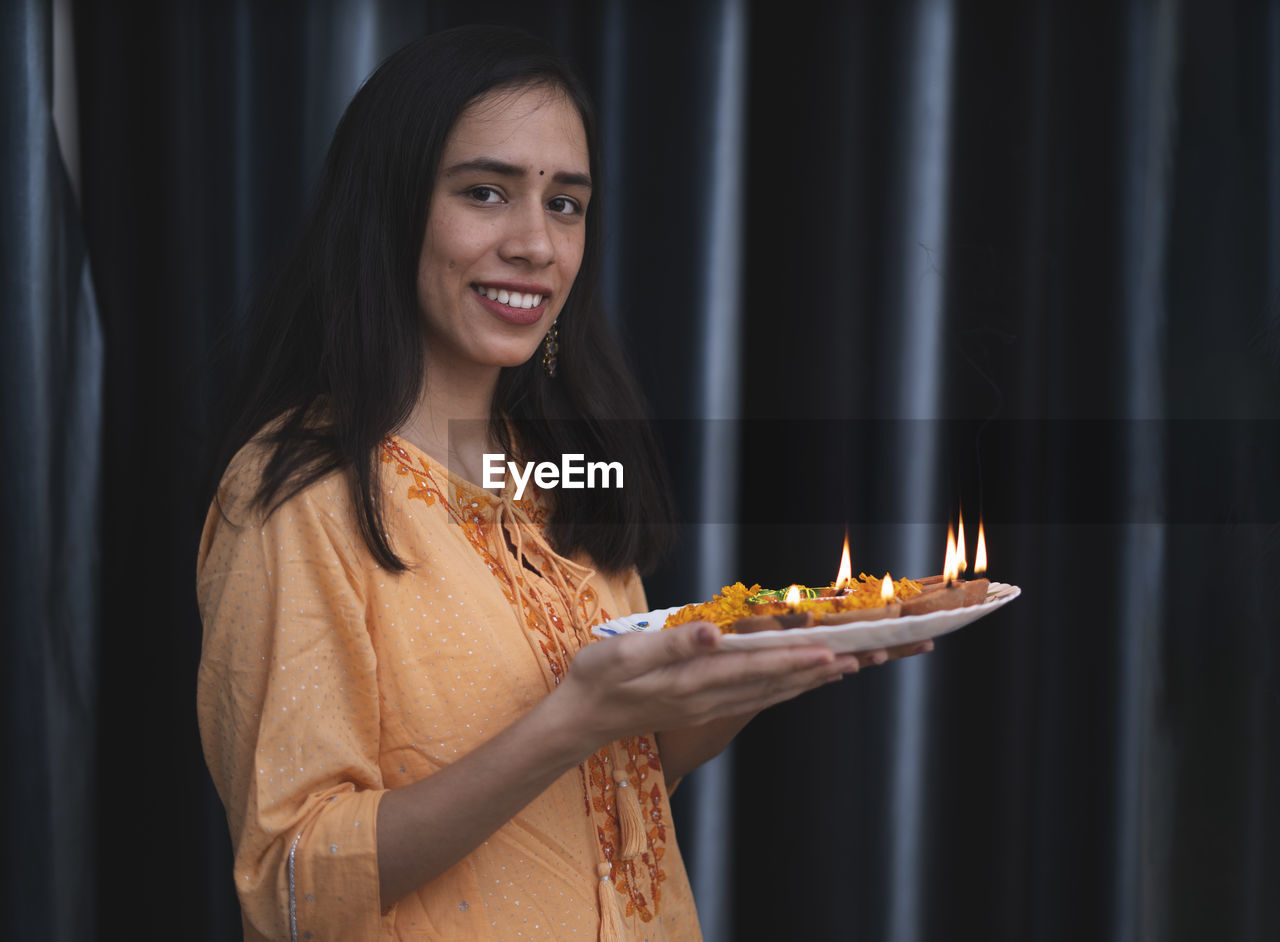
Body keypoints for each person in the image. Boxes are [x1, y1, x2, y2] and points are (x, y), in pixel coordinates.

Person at [197, 25, 927, 941]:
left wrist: (754, 672)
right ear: (389, 209)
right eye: (486, 193)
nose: (536, 244)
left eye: (567, 204)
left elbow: (623, 772)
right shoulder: (295, 493)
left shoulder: (554, 465)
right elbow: (294, 881)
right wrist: (569, 721)